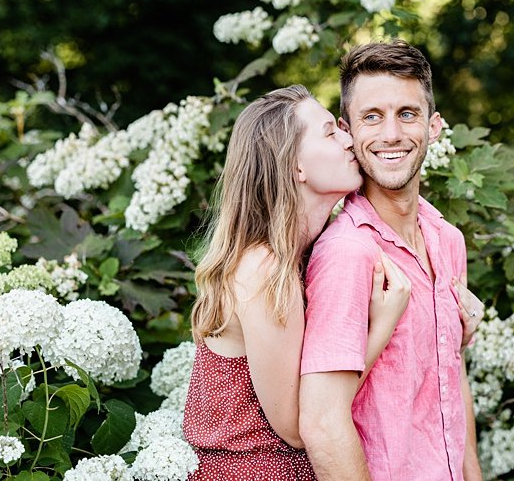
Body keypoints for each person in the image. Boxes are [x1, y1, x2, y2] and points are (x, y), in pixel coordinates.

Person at [182, 84, 413, 480]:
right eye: (329, 132)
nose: (348, 139)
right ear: (295, 167)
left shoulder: (302, 258)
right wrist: (383, 325)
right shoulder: (264, 269)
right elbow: (295, 426)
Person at [299, 39, 485, 481]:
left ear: (434, 125)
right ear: (347, 130)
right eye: (371, 117)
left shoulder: (448, 241)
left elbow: (452, 382)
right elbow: (322, 424)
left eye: (407, 114)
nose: (391, 135)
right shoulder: (349, 252)